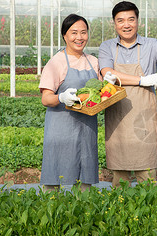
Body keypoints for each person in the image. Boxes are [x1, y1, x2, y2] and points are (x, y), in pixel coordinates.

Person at [99, 1, 157, 187]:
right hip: (118, 119)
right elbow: (107, 73)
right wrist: (142, 80)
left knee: (148, 176)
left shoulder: (151, 44)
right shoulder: (107, 47)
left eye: (130, 19)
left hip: (144, 119)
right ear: (114, 23)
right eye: (120, 20)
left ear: (138, 21)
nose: (126, 24)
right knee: (120, 179)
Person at [39, 14, 116, 192]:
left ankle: (82, 214)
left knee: (84, 177)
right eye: (74, 33)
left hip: (86, 127)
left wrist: (109, 83)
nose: (79, 37)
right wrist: (61, 97)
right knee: (54, 174)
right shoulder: (56, 62)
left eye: (83, 32)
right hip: (61, 128)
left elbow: (101, 91)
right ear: (64, 35)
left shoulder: (93, 61)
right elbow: (45, 98)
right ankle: (50, 211)